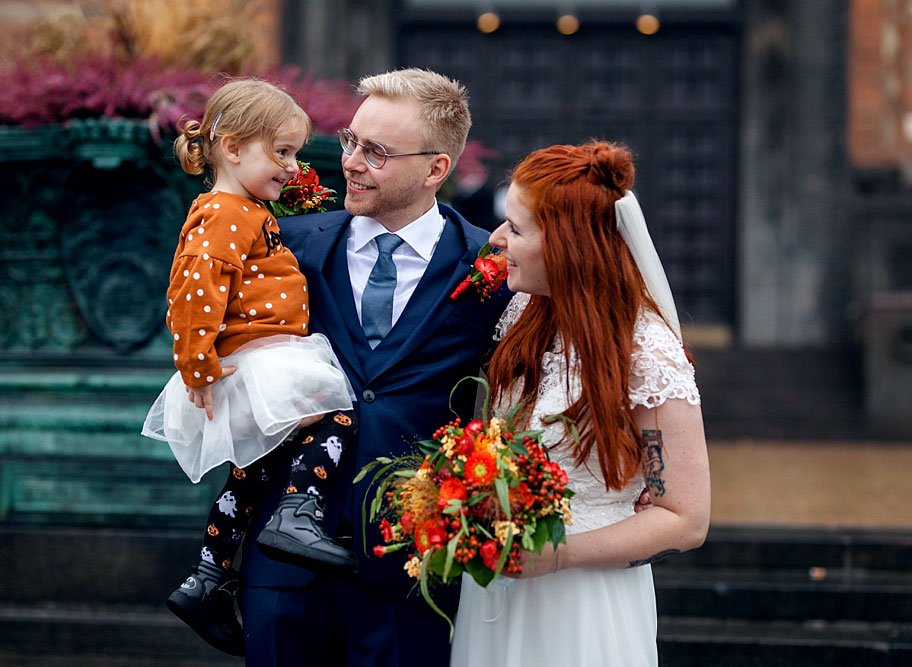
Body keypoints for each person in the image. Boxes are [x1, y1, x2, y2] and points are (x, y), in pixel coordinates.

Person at [234, 68, 512, 666]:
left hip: (412, 564)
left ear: (436, 168)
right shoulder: (289, 243)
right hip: (282, 567)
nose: (352, 163)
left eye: (376, 152)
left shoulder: (490, 266)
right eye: (350, 142)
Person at [450, 142, 711, 667]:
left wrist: (557, 554)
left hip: (586, 603)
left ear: (567, 245)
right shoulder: (520, 315)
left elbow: (686, 519)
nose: (498, 239)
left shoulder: (646, 355)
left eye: (517, 229)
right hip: (495, 595)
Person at [141, 78, 361, 657]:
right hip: (255, 358)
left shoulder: (243, 208)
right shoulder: (227, 214)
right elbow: (192, 286)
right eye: (281, 152)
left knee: (252, 470)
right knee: (334, 418)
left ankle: (208, 578)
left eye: (294, 153)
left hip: (254, 358)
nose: (292, 166)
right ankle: (297, 514)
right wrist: (196, 364)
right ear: (233, 149)